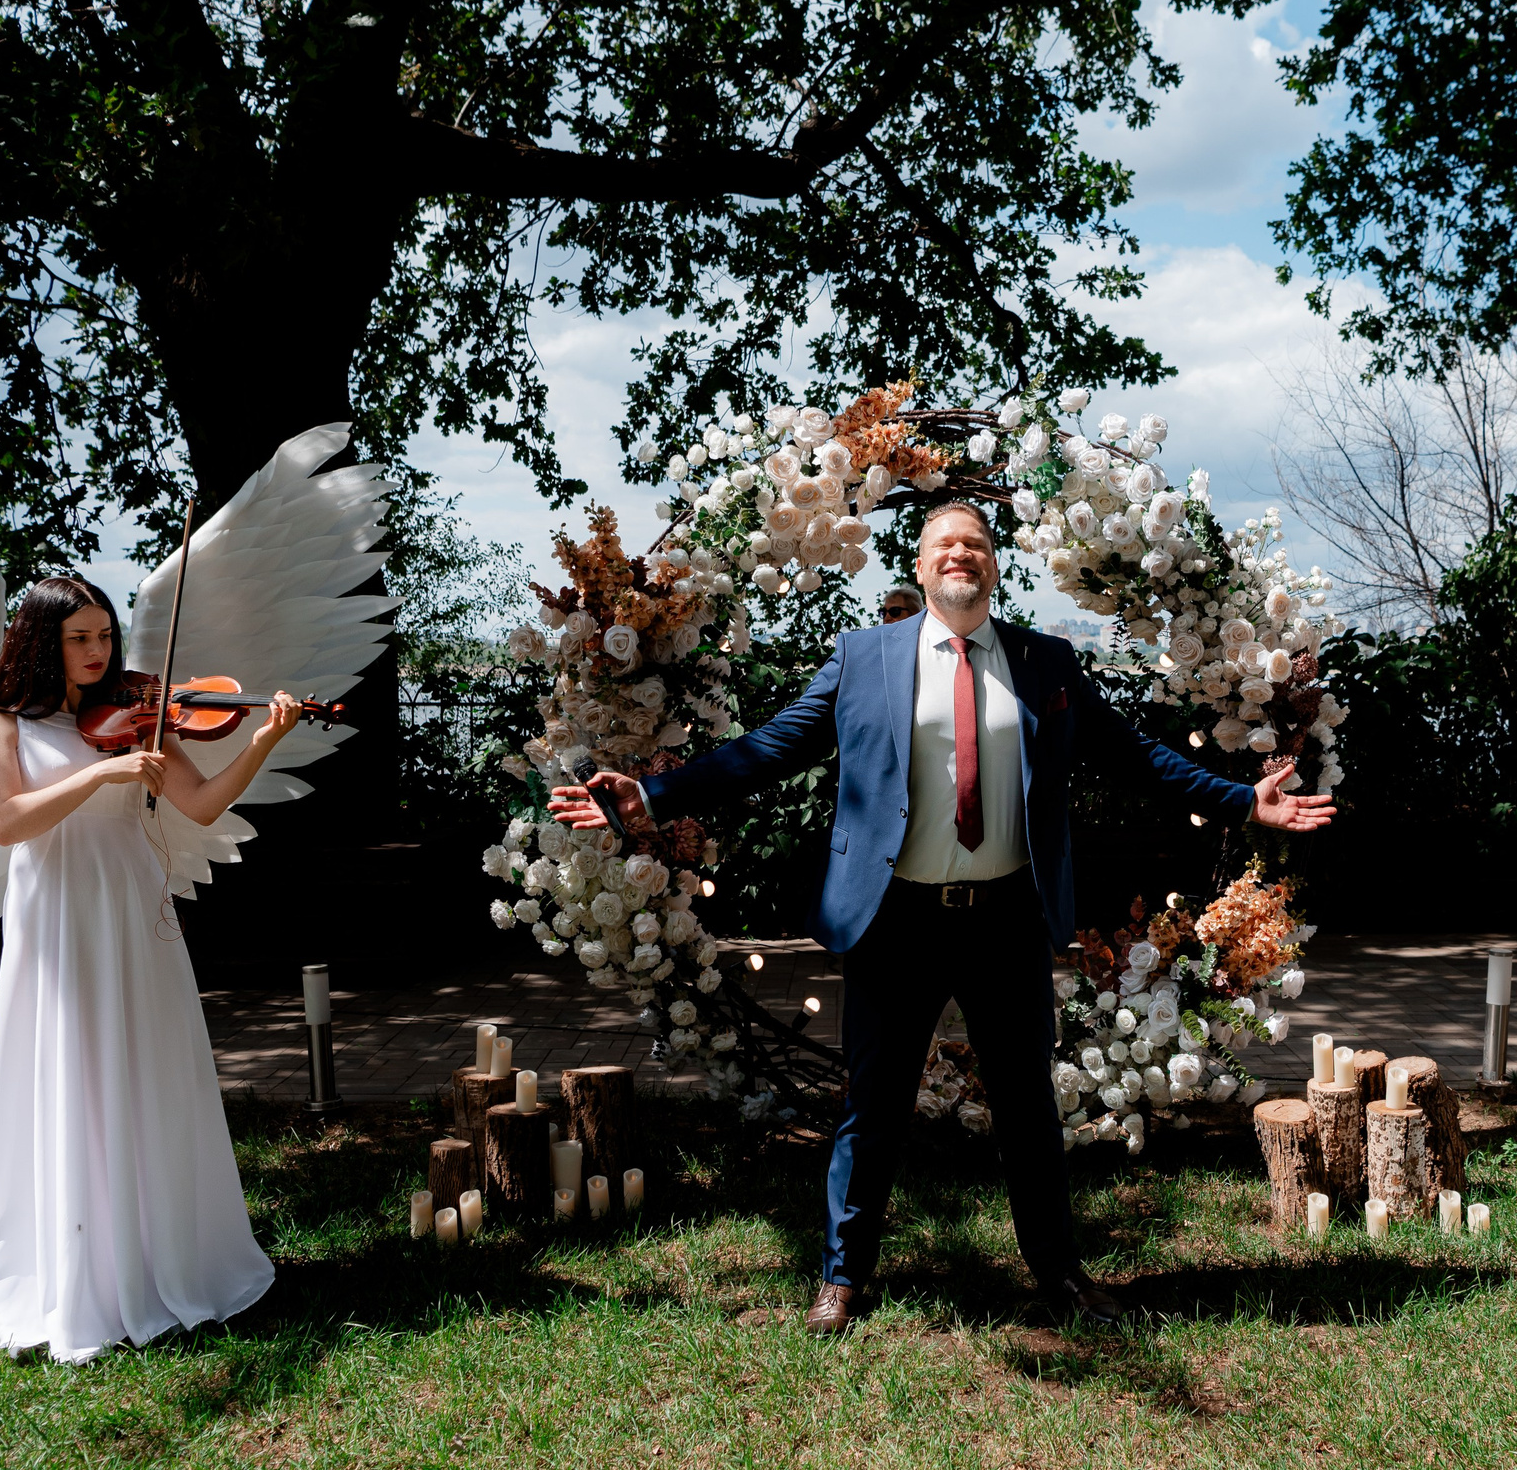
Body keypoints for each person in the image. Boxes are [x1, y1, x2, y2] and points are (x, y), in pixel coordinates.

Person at [553, 503, 1334, 1331]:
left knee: (1028, 1104)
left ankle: (1059, 1272)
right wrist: (655, 792)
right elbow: (772, 746)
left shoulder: (1046, 662)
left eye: (977, 543)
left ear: (992, 569)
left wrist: (1243, 802)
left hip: (1005, 920)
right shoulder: (862, 658)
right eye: (943, 546)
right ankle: (842, 1276)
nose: (961, 553)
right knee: (874, 1103)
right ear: (921, 570)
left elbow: (1134, 754)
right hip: (897, 921)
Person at [0, 577, 302, 1361]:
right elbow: (6, 820)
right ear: (41, 641)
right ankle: (80, 1276)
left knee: (150, 1074)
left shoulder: (138, 710)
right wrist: (100, 773)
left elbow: (203, 804)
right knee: (73, 1074)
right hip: (59, 917)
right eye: (79, 638)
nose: (97, 653)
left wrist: (264, 740)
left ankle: (165, 1261)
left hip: (133, 909)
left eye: (105, 636)